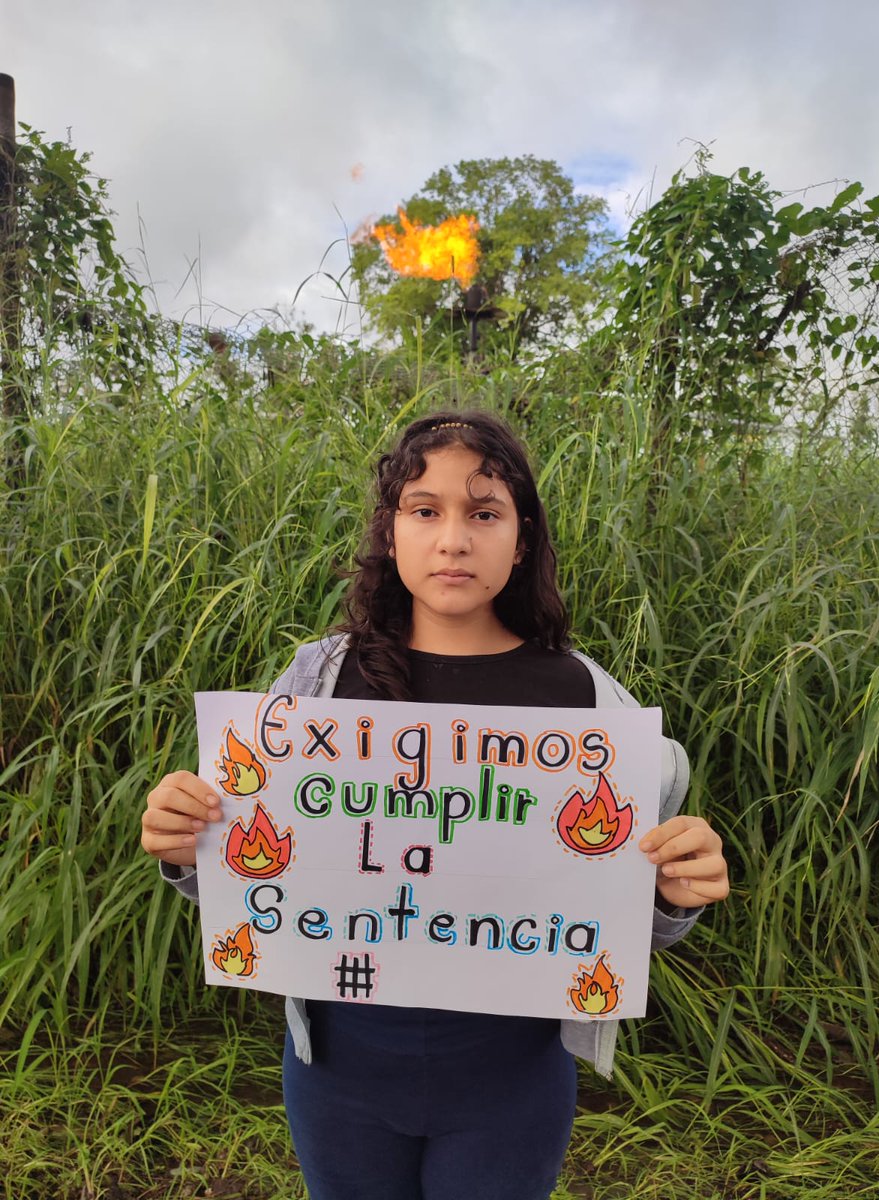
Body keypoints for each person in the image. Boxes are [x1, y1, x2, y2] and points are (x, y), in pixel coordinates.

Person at [142, 410, 729, 1200]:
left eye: (484, 513)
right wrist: (188, 848)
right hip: (340, 1073)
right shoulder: (318, 683)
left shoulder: (588, 703)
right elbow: (256, 862)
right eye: (425, 510)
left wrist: (672, 893)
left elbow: (628, 915)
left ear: (521, 541)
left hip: (512, 1081)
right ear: (391, 532)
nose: (453, 539)